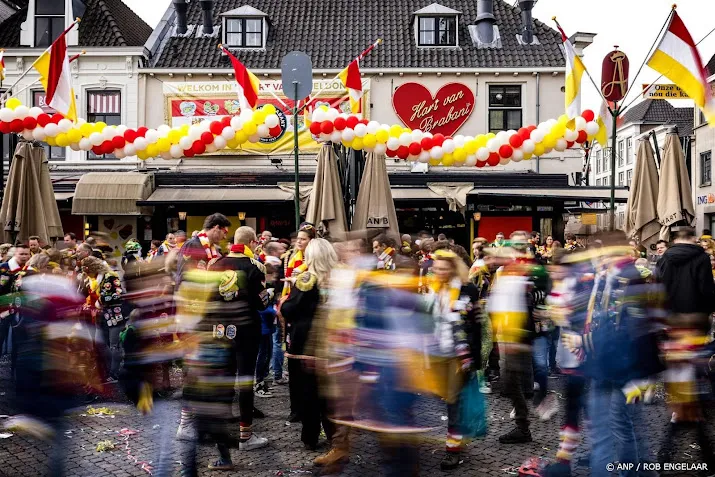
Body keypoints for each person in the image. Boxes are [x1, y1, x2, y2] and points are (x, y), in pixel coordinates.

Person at [655, 227, 715, 468]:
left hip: (672, 330)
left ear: (674, 239)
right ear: (692, 238)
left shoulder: (664, 259)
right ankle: (702, 456)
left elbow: (656, 294)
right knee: (693, 388)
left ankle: (668, 450)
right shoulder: (701, 258)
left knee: (683, 387)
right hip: (696, 329)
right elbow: (707, 293)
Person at [209, 225, 271, 450]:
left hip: (219, 330)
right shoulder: (255, 266)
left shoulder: (214, 264)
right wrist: (268, 295)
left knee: (223, 378)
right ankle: (246, 435)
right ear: (252, 242)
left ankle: (221, 436)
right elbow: (261, 303)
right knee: (245, 380)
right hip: (246, 330)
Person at [279, 238, 338, 450]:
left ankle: (310, 437)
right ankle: (334, 436)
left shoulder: (307, 279)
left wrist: (285, 301)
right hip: (331, 344)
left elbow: (290, 309)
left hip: (306, 344)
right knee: (329, 395)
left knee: (308, 392)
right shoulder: (336, 279)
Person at [427, 249, 482, 470]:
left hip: (459, 356)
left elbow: (477, 325)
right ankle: (460, 435)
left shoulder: (468, 289)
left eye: (443, 268)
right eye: (436, 269)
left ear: (452, 269)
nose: (438, 272)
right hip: (437, 353)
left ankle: (453, 450)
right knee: (444, 398)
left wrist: (475, 358)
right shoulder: (432, 289)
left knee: (453, 402)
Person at [281, 222, 315, 423]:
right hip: (291, 315)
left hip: (305, 316)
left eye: (303, 239)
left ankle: (306, 407)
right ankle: (296, 408)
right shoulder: (289, 258)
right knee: (293, 364)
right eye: (298, 239)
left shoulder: (314, 262)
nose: (299, 242)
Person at [82, 256, 125, 383]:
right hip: (99, 316)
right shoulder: (90, 279)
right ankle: (105, 370)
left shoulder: (110, 276)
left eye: (87, 270)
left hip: (113, 315)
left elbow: (118, 293)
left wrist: (100, 300)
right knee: (101, 344)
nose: (86, 273)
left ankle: (114, 373)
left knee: (114, 345)